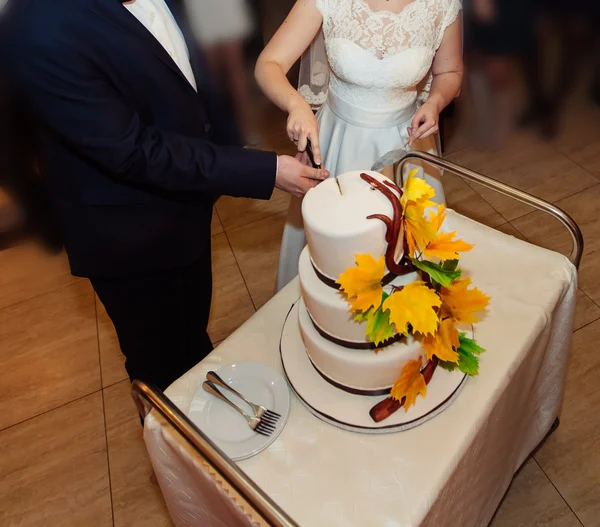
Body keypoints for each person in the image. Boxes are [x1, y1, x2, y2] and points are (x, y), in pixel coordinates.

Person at [0, 0, 328, 391]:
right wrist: (265, 169)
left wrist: (226, 147)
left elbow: (183, 74)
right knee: (160, 366)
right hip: (129, 236)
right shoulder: (39, 27)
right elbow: (133, 151)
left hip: (183, 205)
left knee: (190, 336)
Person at [255, 0, 464, 291]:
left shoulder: (442, 4)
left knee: (411, 266)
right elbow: (269, 64)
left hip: (407, 149)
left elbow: (450, 72)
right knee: (335, 264)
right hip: (338, 145)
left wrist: (435, 102)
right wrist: (296, 105)